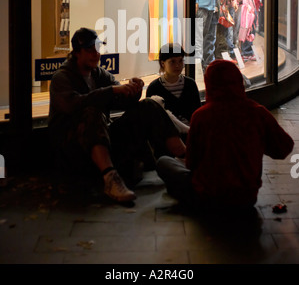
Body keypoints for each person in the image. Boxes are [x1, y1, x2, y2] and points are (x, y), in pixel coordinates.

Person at [48, 27, 186, 204]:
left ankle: (185, 158)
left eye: (97, 48)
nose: (96, 54)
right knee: (92, 111)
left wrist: (132, 92)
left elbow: (119, 100)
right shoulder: (62, 77)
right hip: (72, 147)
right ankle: (110, 178)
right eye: (90, 50)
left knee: (149, 105)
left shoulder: (99, 74)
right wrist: (112, 90)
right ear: (76, 53)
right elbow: (72, 105)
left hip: (102, 139)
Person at [156, 59, 294, 212]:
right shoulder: (257, 113)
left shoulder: (201, 116)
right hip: (246, 198)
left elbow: (191, 163)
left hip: (207, 196)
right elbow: (284, 148)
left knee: (164, 162)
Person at [146, 43, 201, 140]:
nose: (178, 65)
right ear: (163, 63)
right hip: (167, 139)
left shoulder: (190, 84)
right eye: (172, 62)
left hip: (192, 136)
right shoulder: (154, 88)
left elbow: (197, 114)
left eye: (180, 61)